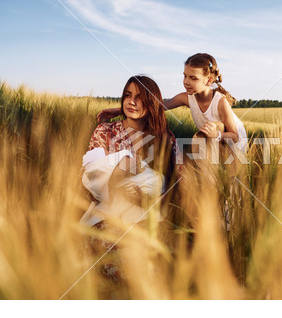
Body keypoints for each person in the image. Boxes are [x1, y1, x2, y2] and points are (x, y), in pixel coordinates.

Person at [80, 76, 179, 284]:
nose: (132, 101)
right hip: (106, 216)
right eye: (128, 95)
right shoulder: (106, 131)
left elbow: (175, 184)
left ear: (152, 102)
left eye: (140, 97)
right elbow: (90, 178)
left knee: (161, 265)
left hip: (149, 217)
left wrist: (148, 199)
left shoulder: (165, 137)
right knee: (122, 262)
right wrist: (117, 179)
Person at [98, 53, 247, 154]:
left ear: (208, 80)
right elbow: (157, 107)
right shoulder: (186, 98)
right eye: (185, 76)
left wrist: (217, 134)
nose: (186, 82)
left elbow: (234, 136)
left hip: (233, 144)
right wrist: (120, 110)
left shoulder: (220, 103)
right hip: (213, 142)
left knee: (231, 182)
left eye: (193, 78)